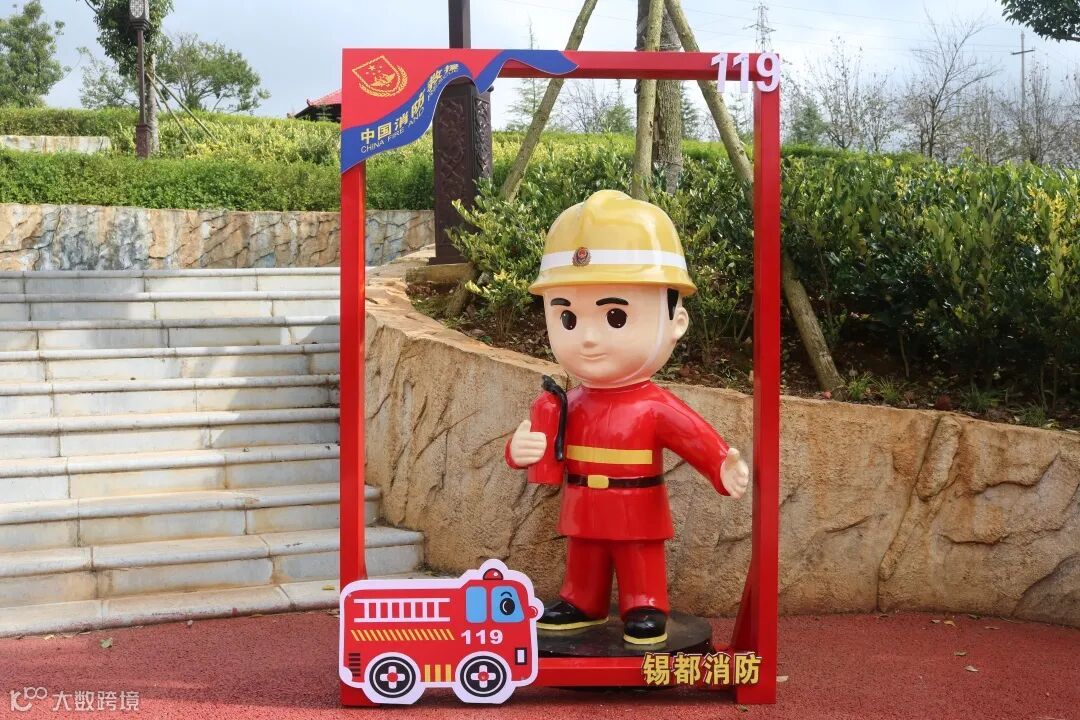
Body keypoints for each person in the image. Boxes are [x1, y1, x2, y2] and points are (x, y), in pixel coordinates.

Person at [505, 189, 750, 645]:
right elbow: (542, 443)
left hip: (637, 501)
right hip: (583, 500)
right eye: (568, 319)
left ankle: (646, 603)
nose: (588, 339)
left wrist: (721, 463)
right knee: (584, 554)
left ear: (676, 322)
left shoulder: (653, 405)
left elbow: (692, 435)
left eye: (615, 316)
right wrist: (519, 449)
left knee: (639, 554)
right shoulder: (569, 402)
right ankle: (582, 601)